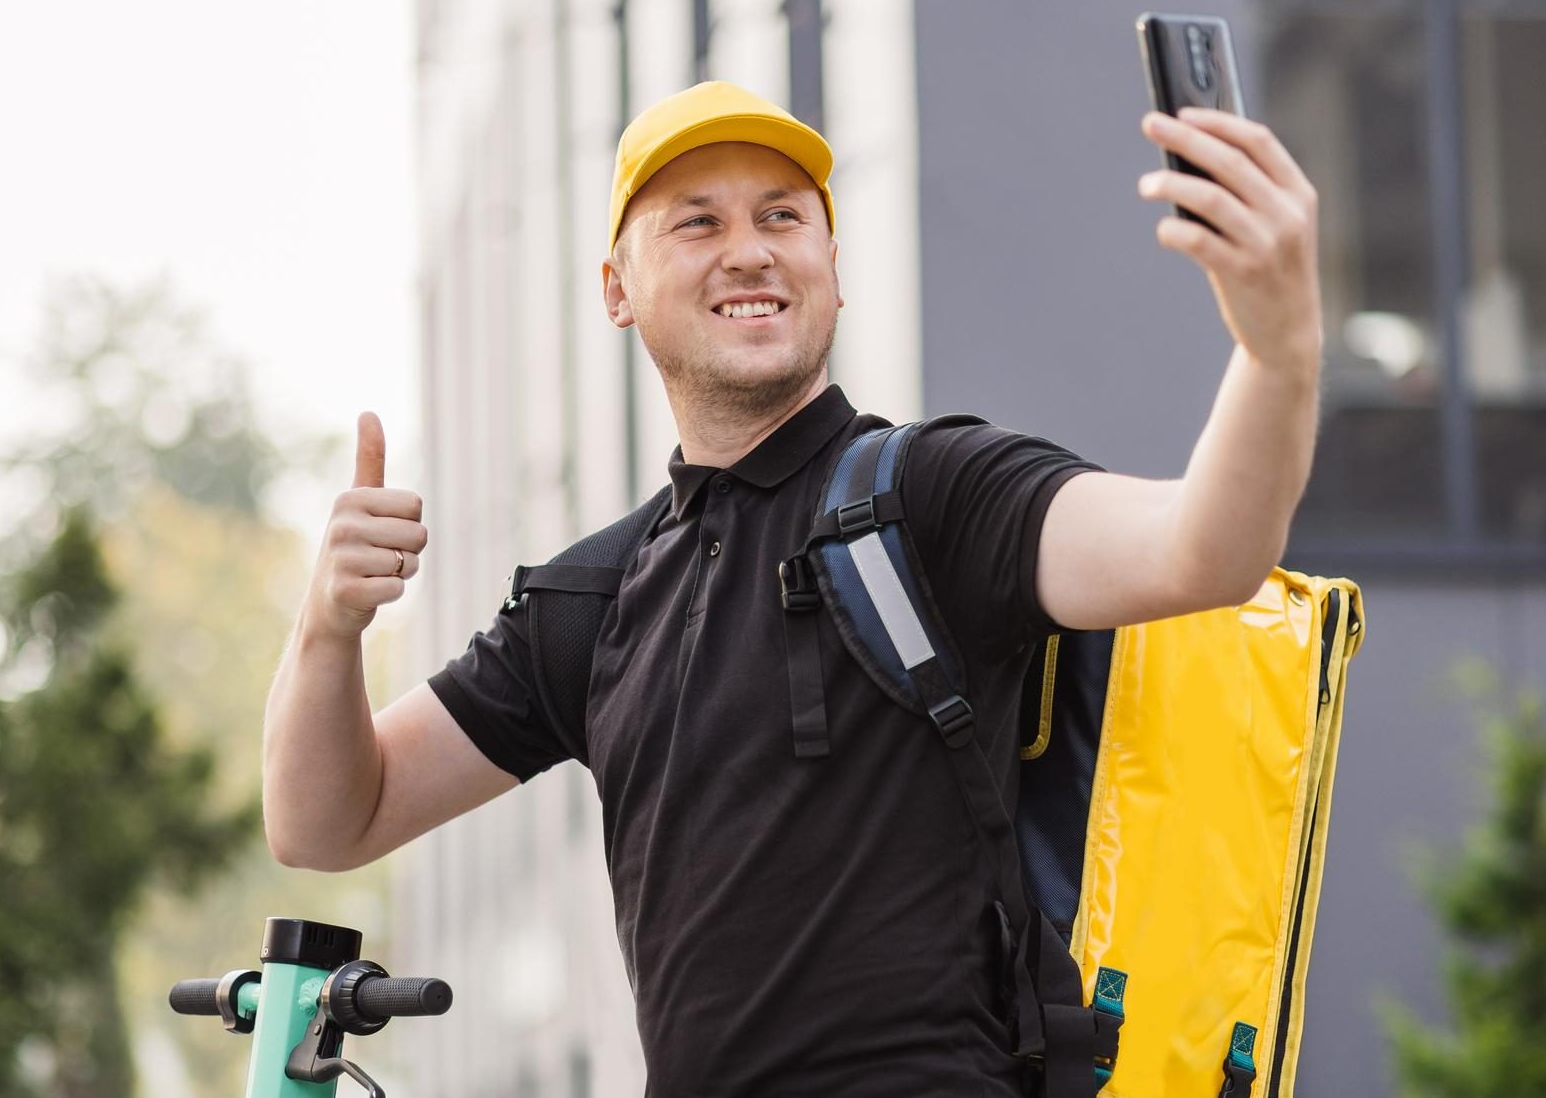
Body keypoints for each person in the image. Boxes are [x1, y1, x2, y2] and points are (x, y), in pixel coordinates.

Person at [262, 80, 1321, 1096]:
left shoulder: (936, 495)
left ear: (829, 264)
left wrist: (1275, 350)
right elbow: (326, 821)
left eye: (781, 215)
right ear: (617, 288)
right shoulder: (592, 601)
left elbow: (1200, 550)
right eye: (696, 223)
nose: (749, 249)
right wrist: (327, 628)